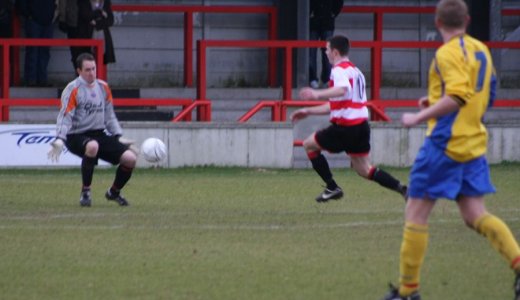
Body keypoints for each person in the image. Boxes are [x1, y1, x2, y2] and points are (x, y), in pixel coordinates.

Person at [381, 1, 520, 299]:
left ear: (437, 21)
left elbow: (457, 94)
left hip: (444, 145)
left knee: (415, 213)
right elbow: (487, 92)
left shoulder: (446, 52)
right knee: (475, 215)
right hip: (473, 143)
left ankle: (407, 291)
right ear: (467, 20)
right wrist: (436, 104)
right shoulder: (481, 49)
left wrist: (419, 116)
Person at [291, 35, 407, 203]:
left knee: (308, 145)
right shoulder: (356, 71)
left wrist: (316, 93)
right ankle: (402, 188)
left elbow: (342, 90)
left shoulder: (338, 71)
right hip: (361, 126)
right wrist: (308, 111)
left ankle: (332, 187)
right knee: (364, 170)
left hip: (346, 127)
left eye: (327, 49)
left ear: (335, 52)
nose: (325, 52)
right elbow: (338, 103)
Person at [48, 53, 136, 207]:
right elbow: (65, 116)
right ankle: (86, 192)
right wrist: (60, 138)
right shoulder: (73, 89)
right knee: (92, 146)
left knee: (130, 158)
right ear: (79, 71)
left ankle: (113, 192)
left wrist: (118, 135)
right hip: (76, 135)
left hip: (99, 134)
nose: (91, 73)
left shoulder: (103, 87)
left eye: (94, 69)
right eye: (87, 70)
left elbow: (109, 116)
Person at [16, 0, 56, 86]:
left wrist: (54, 15)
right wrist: (28, 15)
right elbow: (21, 3)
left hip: (48, 20)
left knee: (44, 52)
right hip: (34, 21)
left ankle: (42, 80)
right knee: (32, 51)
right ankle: (31, 80)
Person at [309, 0, 343, 89]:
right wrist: (310, 13)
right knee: (311, 52)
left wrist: (333, 13)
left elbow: (339, 3)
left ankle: (326, 78)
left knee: (328, 52)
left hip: (327, 21)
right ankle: (312, 78)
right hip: (313, 22)